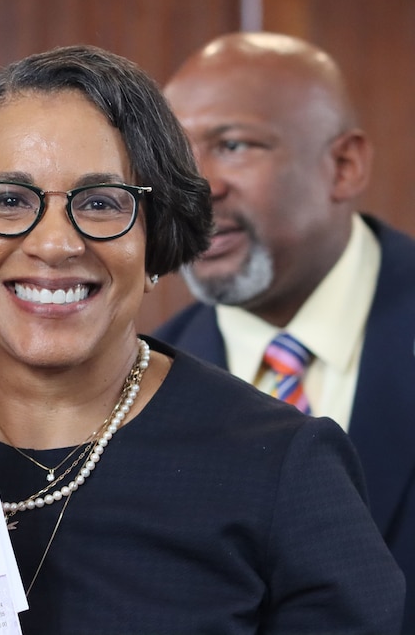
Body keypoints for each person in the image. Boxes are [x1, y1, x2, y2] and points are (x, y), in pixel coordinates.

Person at [0, 44, 404, 633]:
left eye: (102, 203)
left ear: (154, 240)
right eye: (8, 200)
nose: (54, 244)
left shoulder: (283, 467)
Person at [154, 31, 415, 632]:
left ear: (343, 166)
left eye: (234, 145)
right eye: (173, 157)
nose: (196, 188)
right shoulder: (139, 384)